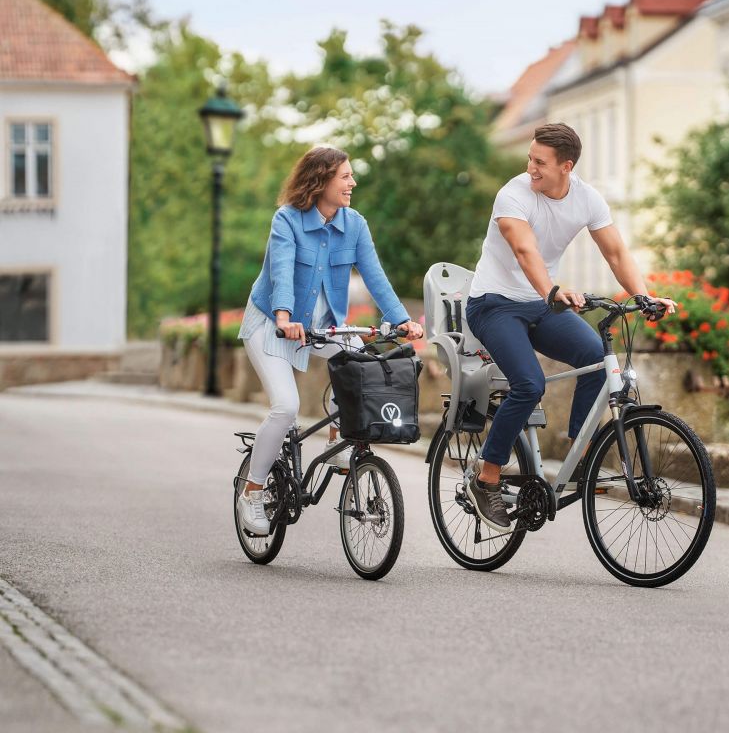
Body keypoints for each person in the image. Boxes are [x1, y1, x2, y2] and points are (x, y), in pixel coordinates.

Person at [463, 122, 674, 533]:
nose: (531, 168)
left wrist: (644, 296)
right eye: (530, 159)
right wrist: (552, 290)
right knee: (529, 384)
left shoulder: (587, 198)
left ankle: (581, 455)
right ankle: (486, 476)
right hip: (494, 304)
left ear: (566, 166)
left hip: (542, 305)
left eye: (540, 162)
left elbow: (615, 253)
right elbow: (525, 251)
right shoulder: (513, 194)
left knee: (597, 357)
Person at [236, 146, 423, 536]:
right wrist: (285, 317)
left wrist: (402, 319)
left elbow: (375, 277)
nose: (353, 182)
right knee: (286, 407)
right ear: (320, 180)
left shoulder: (354, 225)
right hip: (271, 323)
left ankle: (337, 438)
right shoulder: (287, 220)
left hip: (321, 327)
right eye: (345, 176)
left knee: (361, 365)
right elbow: (281, 269)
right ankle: (252, 490)